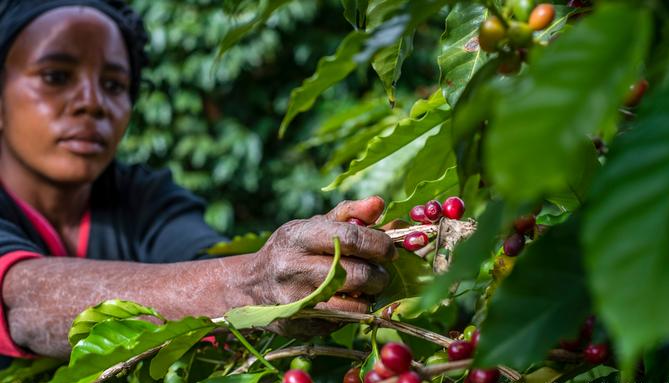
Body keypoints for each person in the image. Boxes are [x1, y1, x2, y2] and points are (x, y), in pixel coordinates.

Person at [0, 0, 395, 362]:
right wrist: (255, 286)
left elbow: (206, 266)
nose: (91, 102)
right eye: (55, 76)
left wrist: (316, 268)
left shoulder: (146, 198)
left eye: (114, 85)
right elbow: (25, 301)